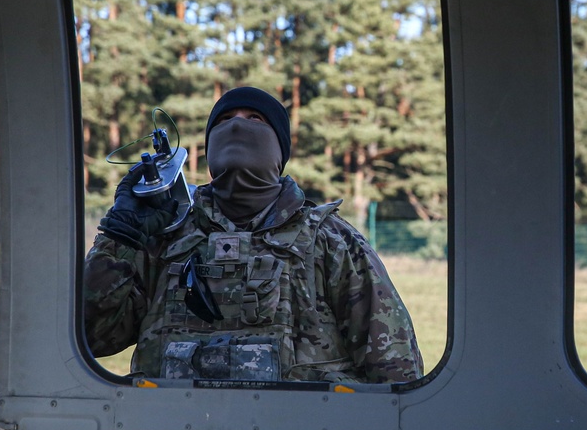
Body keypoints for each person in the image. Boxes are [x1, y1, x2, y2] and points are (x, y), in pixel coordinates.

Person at [83, 86, 423, 383]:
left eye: (254, 119)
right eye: (224, 119)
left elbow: (396, 371)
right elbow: (92, 337)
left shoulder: (330, 240)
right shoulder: (167, 235)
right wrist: (120, 232)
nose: (236, 125)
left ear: (280, 150)